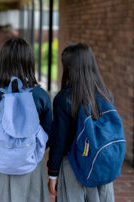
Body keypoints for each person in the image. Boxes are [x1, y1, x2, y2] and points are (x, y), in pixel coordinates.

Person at [0, 37, 52, 202]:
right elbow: (48, 135)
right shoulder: (40, 96)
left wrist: (2, 152)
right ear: (29, 61)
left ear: (3, 62)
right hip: (30, 163)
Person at [47, 43, 115, 201]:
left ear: (71, 68)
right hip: (100, 165)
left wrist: (53, 174)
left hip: (73, 168)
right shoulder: (106, 95)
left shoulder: (64, 99)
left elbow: (59, 141)